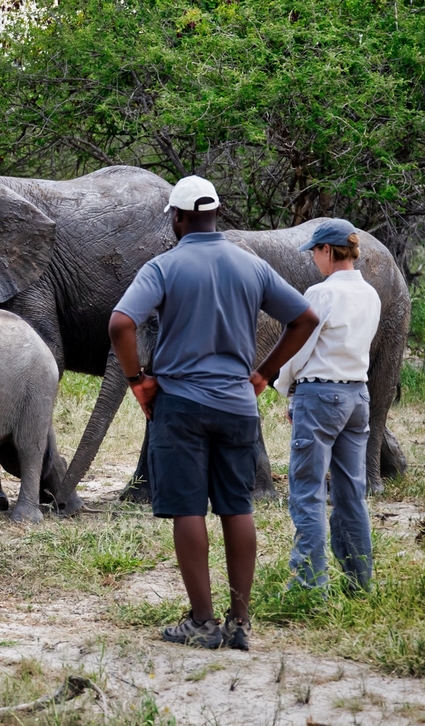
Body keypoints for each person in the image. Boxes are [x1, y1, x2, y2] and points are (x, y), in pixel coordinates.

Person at [109, 176, 318, 651]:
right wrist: (264, 373)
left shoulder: (162, 267)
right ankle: (240, 623)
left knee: (188, 509)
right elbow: (304, 317)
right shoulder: (252, 265)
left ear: (178, 218)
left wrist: (137, 380)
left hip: (180, 406)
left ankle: (201, 622)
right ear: (217, 212)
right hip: (239, 407)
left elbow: (121, 322)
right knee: (237, 507)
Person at [273, 220, 379, 594]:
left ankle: (308, 586)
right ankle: (359, 581)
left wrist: (286, 387)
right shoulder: (371, 294)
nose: (314, 258)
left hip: (320, 396)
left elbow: (299, 349)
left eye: (316, 251)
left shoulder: (320, 293)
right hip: (357, 398)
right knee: (352, 493)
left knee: (307, 490)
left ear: (329, 251)